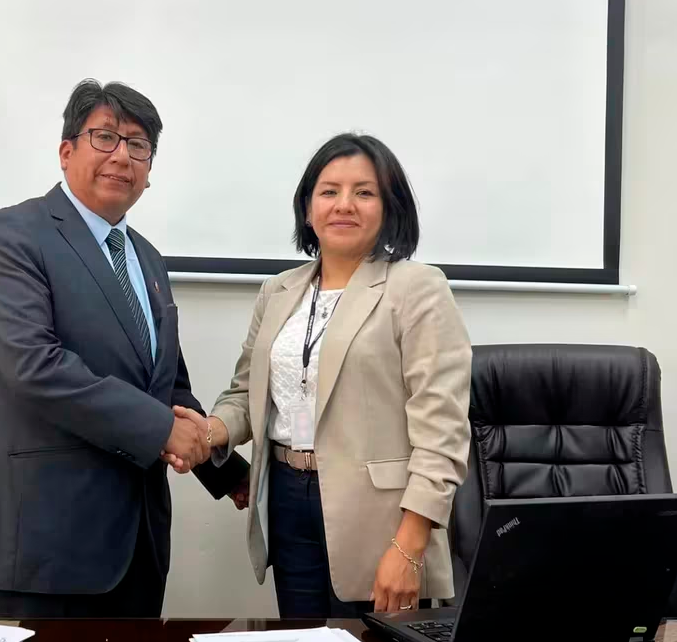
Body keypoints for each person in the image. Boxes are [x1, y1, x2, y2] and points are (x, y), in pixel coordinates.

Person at [0, 79, 248, 618]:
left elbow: (167, 386)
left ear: (149, 170)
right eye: (105, 137)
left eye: (138, 145)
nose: (122, 156)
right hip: (45, 540)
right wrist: (163, 430)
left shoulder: (147, 257)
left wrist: (226, 470)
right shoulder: (12, 234)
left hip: (139, 540)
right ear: (66, 151)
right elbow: (34, 367)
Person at [173, 133, 471, 618]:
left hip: (381, 517)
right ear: (308, 209)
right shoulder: (278, 291)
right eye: (329, 191)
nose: (344, 204)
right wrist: (209, 431)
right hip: (286, 498)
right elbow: (246, 392)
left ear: (389, 207)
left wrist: (411, 543)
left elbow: (443, 429)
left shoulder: (418, 288)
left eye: (364, 192)